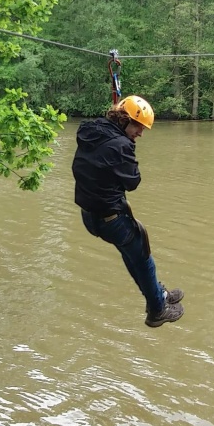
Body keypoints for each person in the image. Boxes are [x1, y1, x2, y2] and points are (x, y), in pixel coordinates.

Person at [72, 95, 184, 328]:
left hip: (89, 216)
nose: (140, 134)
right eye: (138, 127)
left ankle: (157, 294)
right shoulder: (121, 146)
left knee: (131, 254)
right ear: (124, 120)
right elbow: (133, 182)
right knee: (143, 258)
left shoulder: (90, 130)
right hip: (111, 219)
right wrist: (127, 148)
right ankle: (157, 309)